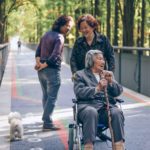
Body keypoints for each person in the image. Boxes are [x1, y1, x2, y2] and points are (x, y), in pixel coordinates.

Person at [73, 50, 125, 150]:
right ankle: (89, 147)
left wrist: (111, 82)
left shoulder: (107, 74)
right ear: (91, 61)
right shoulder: (80, 74)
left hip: (105, 108)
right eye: (100, 59)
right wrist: (97, 89)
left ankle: (119, 146)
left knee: (116, 112)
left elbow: (118, 91)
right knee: (91, 112)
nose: (103, 62)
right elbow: (79, 92)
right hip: (87, 107)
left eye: (103, 59)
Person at [35, 15, 74, 130]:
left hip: (41, 71)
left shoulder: (46, 34)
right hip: (52, 70)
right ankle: (47, 122)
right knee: (52, 97)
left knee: (46, 95)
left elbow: (38, 52)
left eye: (70, 27)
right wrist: (44, 64)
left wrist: (39, 64)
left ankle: (47, 120)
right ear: (61, 25)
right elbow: (55, 56)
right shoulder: (60, 37)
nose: (68, 28)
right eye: (67, 26)